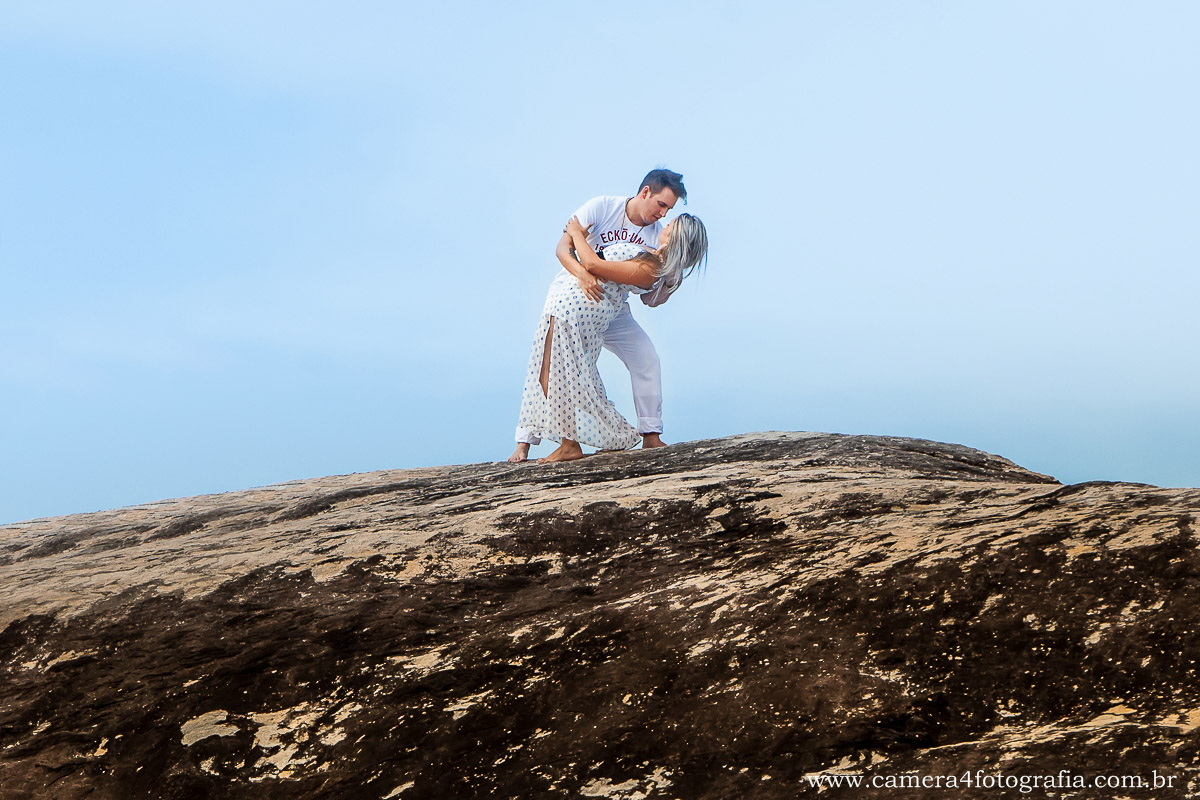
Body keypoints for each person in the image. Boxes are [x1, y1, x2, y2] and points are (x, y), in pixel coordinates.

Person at [508, 169, 688, 463]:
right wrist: (582, 275)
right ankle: (526, 440)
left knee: (646, 358)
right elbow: (562, 249)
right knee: (552, 364)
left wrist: (672, 278)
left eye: (669, 209)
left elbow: (648, 297)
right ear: (645, 192)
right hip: (577, 297)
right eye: (661, 205)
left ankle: (651, 436)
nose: (663, 213)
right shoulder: (603, 207)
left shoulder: (658, 237)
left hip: (614, 308)